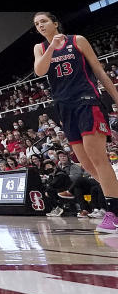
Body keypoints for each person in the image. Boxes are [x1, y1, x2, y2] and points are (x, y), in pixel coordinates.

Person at [33, 12, 118, 233]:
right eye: (37, 24)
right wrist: (51, 46)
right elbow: (40, 70)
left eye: (44, 21)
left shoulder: (77, 40)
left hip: (86, 101)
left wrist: (117, 98)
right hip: (64, 107)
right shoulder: (40, 48)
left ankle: (114, 212)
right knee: (86, 164)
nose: (40, 25)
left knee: (97, 157)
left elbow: (98, 70)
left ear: (55, 22)